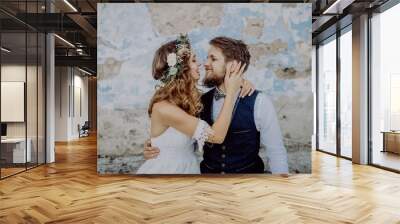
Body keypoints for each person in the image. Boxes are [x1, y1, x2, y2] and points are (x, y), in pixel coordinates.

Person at [144, 36, 289, 175]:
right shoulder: (199, 102)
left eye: (213, 59)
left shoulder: (260, 102)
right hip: (200, 181)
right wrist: (158, 145)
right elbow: (196, 136)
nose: (204, 63)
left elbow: (276, 152)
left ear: (234, 65)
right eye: (196, 60)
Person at [136, 34, 248, 174]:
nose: (200, 64)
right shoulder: (164, 108)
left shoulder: (189, 102)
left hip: (188, 168)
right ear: (183, 69)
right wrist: (231, 93)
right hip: (168, 171)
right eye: (194, 60)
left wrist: (242, 84)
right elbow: (216, 137)